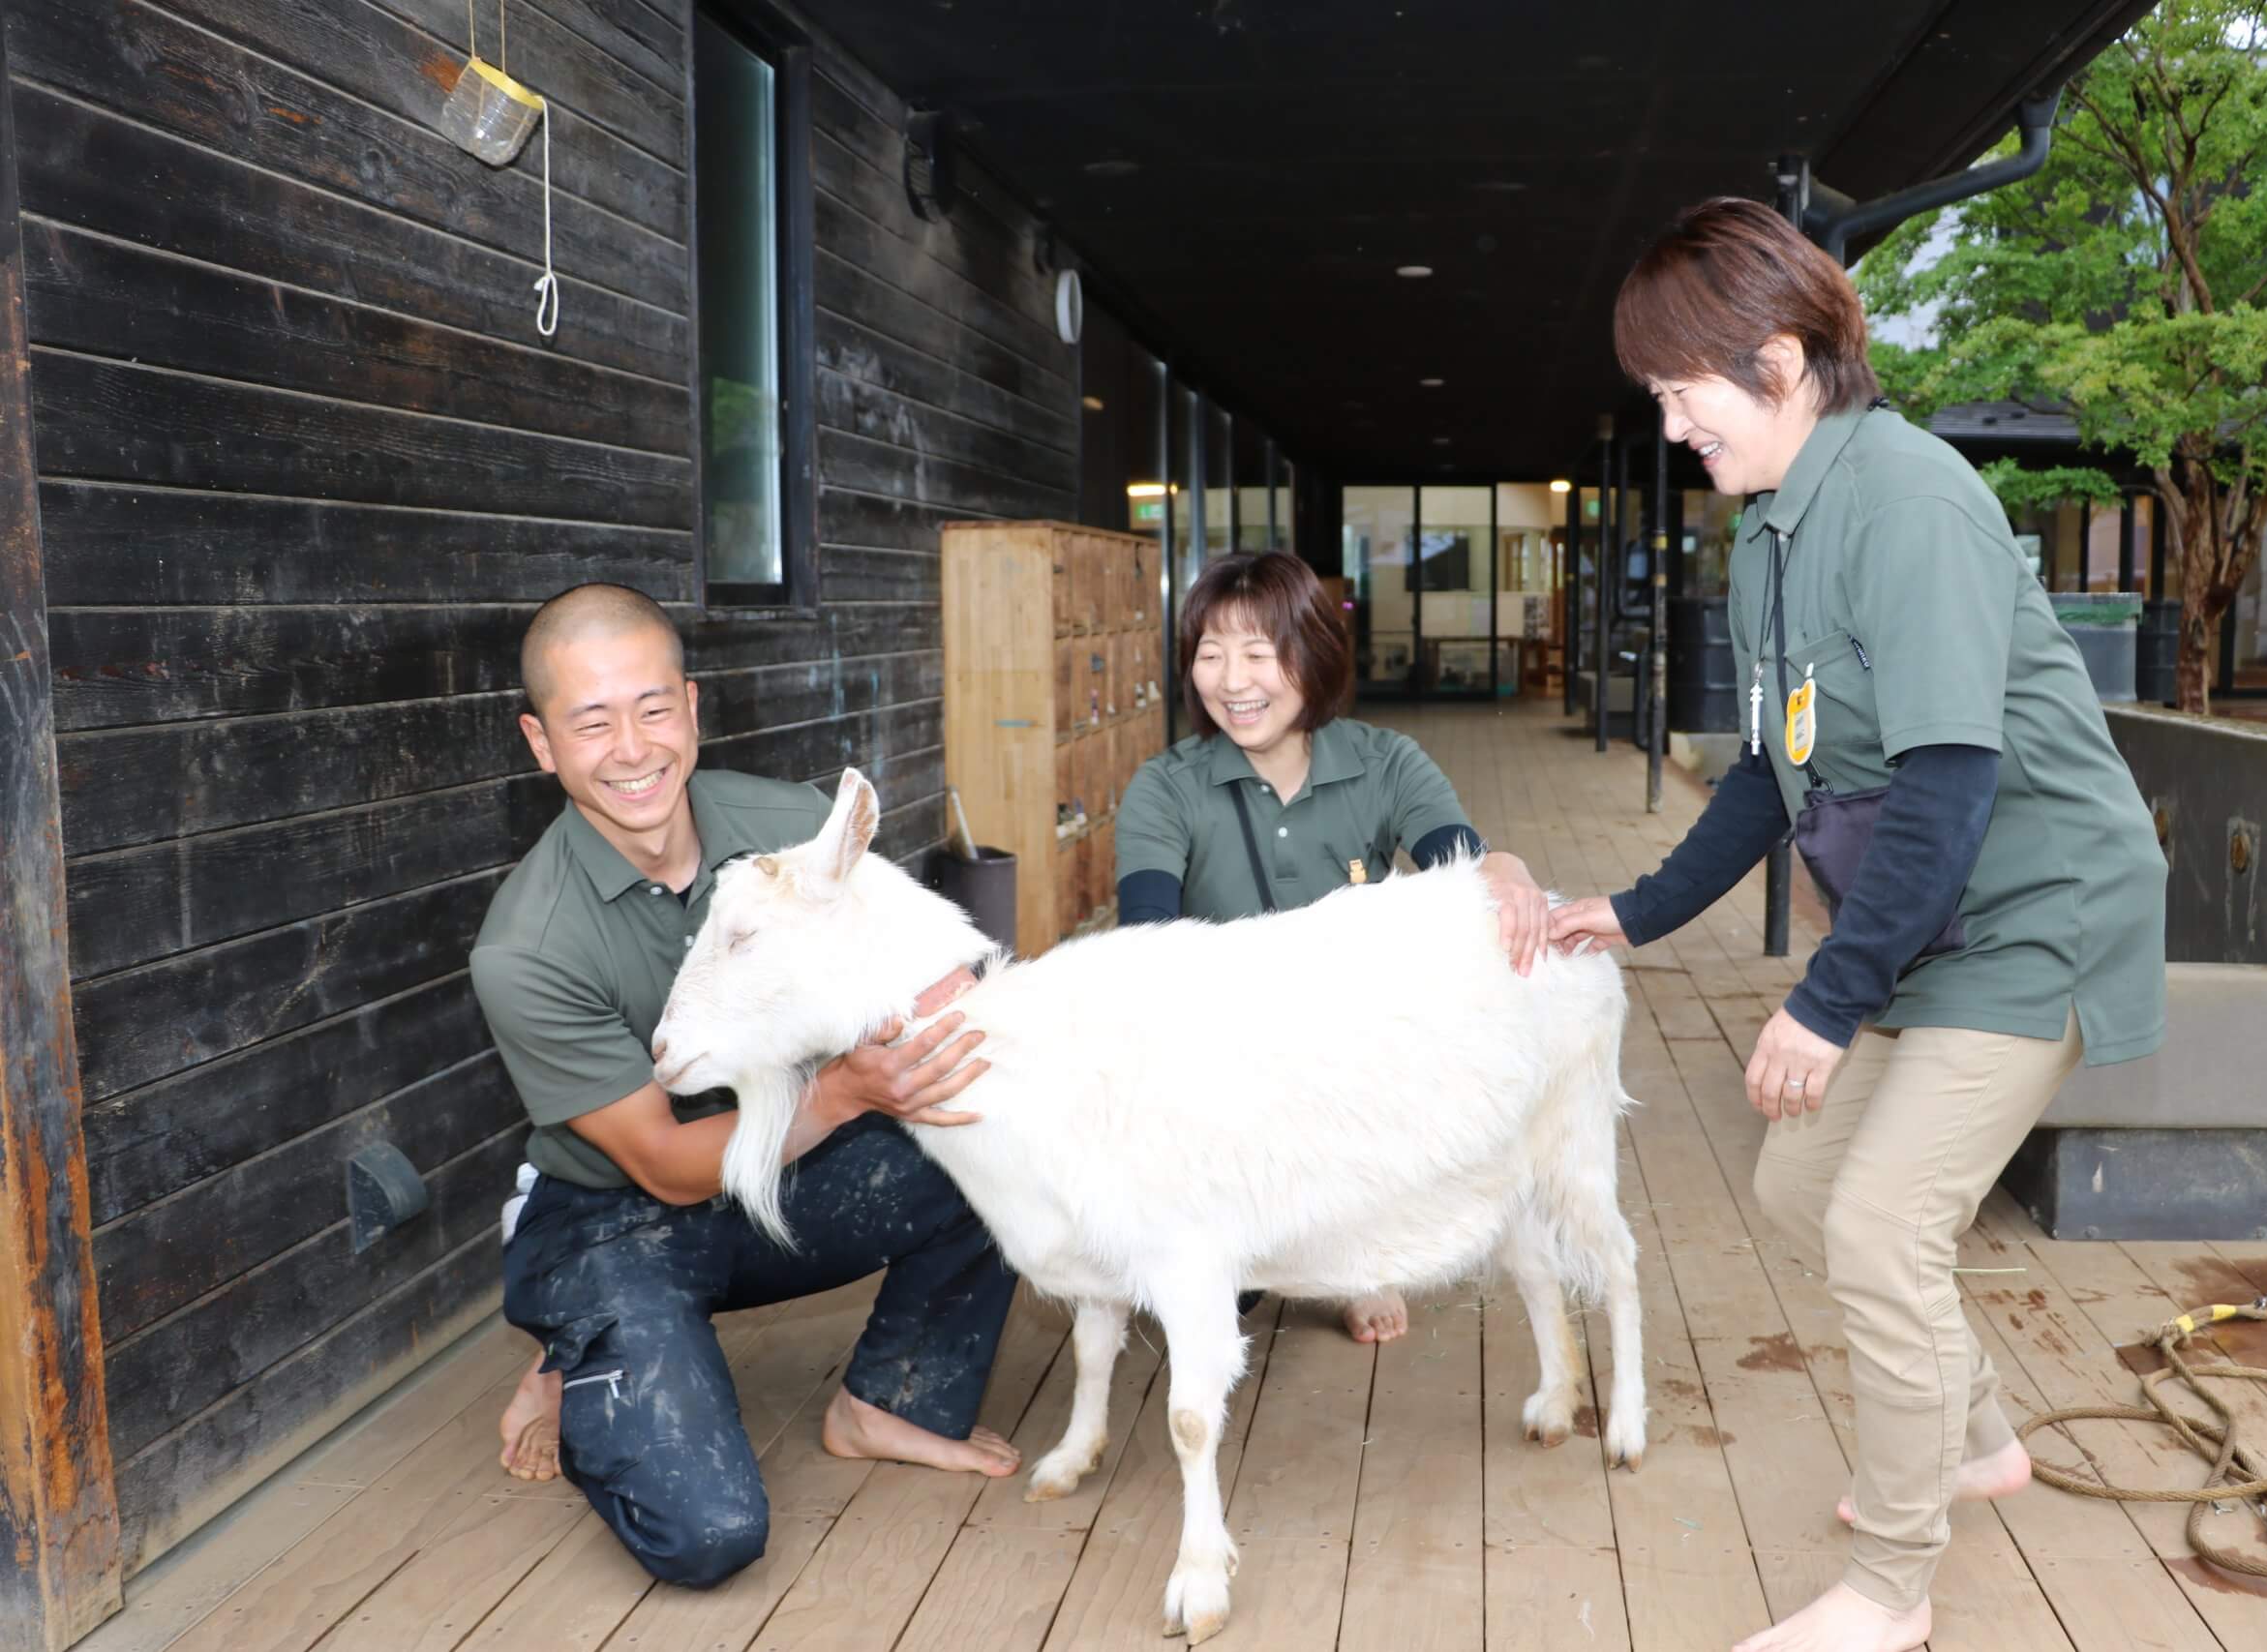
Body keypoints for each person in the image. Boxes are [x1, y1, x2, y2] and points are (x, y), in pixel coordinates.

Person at [1549, 198, 2165, 1652]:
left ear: (1774, 359)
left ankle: (1894, 1585)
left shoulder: (1909, 499)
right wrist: (1627, 913)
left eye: (1677, 389)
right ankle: (1978, 1435)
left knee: (1885, 1222)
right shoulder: (1772, 530)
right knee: (1798, 1184)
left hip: (2034, 913)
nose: (1669, 422)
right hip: (1933, 918)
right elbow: (1776, 766)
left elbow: (1954, 782)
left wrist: (1824, 1003)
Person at [473, 583, 1020, 1587]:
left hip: (790, 1161)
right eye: (590, 722)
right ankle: (580, 1355)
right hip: (614, 1215)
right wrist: (851, 1090)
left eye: (650, 709)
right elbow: (670, 1169)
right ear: (540, 742)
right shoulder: (525, 947)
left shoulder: (792, 828)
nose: (631, 748)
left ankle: (887, 1403)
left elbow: (917, 985)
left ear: (690, 706)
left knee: (989, 1113)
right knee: (708, 1536)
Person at [1113, 550, 1553, 1342]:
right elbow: (1145, 939)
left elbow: (1460, 861)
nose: (1232, 680)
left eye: (1258, 652)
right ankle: (1252, 1232)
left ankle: (1360, 1253)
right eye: (1211, 654)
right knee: (1198, 1298)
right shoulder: (1165, 785)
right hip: (1223, 1045)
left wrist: (1506, 864)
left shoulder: (1384, 761)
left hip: (1352, 1045)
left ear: (1310, 655)